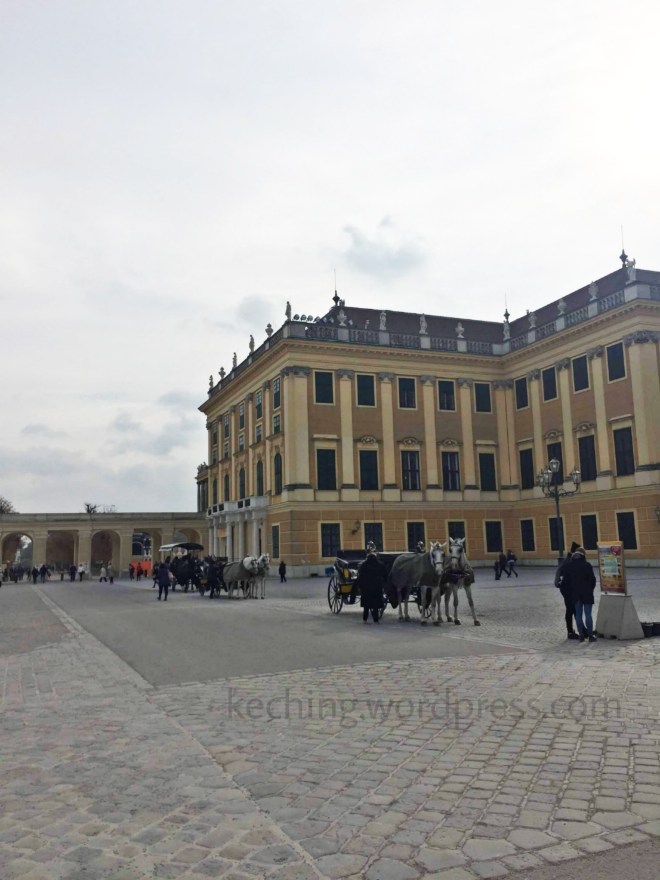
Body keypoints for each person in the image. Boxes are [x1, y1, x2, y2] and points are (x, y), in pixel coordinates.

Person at [561, 546, 597, 642]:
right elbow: (593, 580)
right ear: (583, 555)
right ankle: (590, 636)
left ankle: (581, 635)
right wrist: (590, 589)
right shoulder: (587, 565)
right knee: (588, 614)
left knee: (578, 615)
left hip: (575, 593)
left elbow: (566, 581)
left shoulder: (569, 566)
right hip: (587, 592)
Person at [355, 545, 387, 623]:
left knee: (366, 605)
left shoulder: (364, 565)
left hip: (366, 588)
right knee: (376, 604)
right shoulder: (380, 564)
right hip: (377, 587)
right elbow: (385, 576)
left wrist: (360, 586)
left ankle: (365, 619)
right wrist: (383, 585)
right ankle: (376, 620)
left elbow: (360, 576)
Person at [555, 541, 580, 639]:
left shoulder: (567, 560)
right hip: (568, 589)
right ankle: (571, 632)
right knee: (571, 610)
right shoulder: (570, 562)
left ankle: (577, 630)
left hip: (566, 589)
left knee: (572, 610)